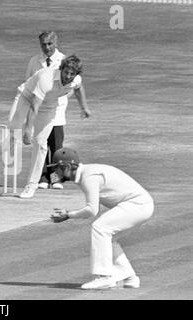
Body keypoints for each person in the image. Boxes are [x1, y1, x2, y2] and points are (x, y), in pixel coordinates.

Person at [49, 148, 154, 290]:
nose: (55, 173)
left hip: (137, 205)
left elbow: (92, 210)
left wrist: (68, 215)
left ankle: (104, 277)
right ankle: (130, 277)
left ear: (66, 167)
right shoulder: (86, 175)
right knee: (107, 236)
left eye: (57, 169)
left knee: (100, 228)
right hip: (140, 205)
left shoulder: (89, 177)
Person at [8, 31, 88, 191]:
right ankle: (9, 152)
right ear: (61, 69)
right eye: (66, 72)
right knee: (13, 129)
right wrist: (27, 130)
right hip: (27, 97)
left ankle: (33, 185)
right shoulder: (46, 78)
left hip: (52, 106)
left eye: (72, 74)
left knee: (42, 143)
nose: (68, 76)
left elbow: (78, 88)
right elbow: (34, 104)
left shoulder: (75, 79)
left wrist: (83, 107)